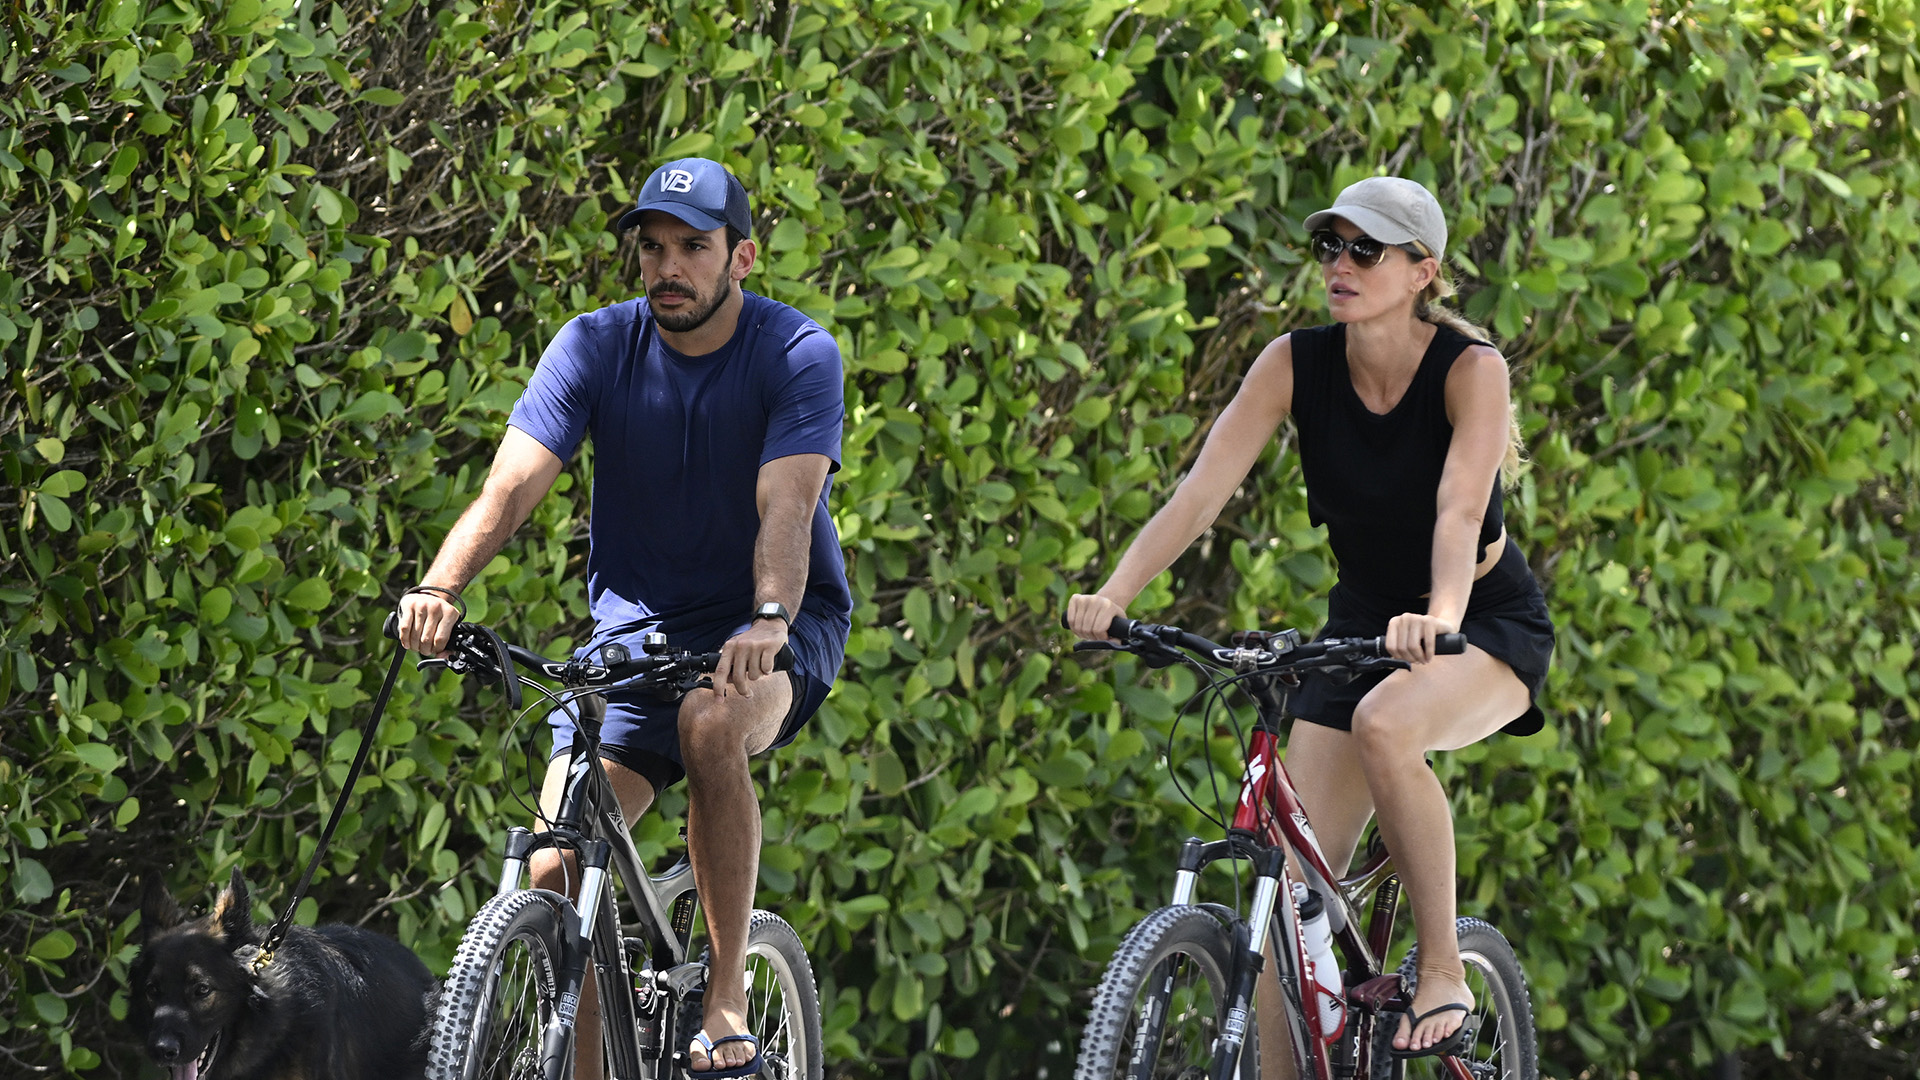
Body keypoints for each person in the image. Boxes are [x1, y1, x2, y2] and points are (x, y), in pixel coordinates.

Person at [1065, 175, 1554, 1064]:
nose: (1341, 264)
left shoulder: (1470, 371)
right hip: (1363, 620)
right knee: (1284, 902)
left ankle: (1442, 967)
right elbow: (1199, 495)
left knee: (1387, 721)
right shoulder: (1295, 364)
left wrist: (1439, 615)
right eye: (1330, 246)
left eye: (1366, 249)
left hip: (1479, 619)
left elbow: (1456, 511)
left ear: (1422, 272)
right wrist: (1116, 595)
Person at [396, 157, 851, 1078]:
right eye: (651, 249)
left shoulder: (796, 353)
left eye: (693, 246)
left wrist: (766, 620)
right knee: (555, 865)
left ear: (744, 257)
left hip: (772, 630)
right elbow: (511, 484)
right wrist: (440, 588)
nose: (668, 267)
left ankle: (725, 998)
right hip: (634, 641)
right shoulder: (595, 346)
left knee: (712, 720)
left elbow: (787, 506)